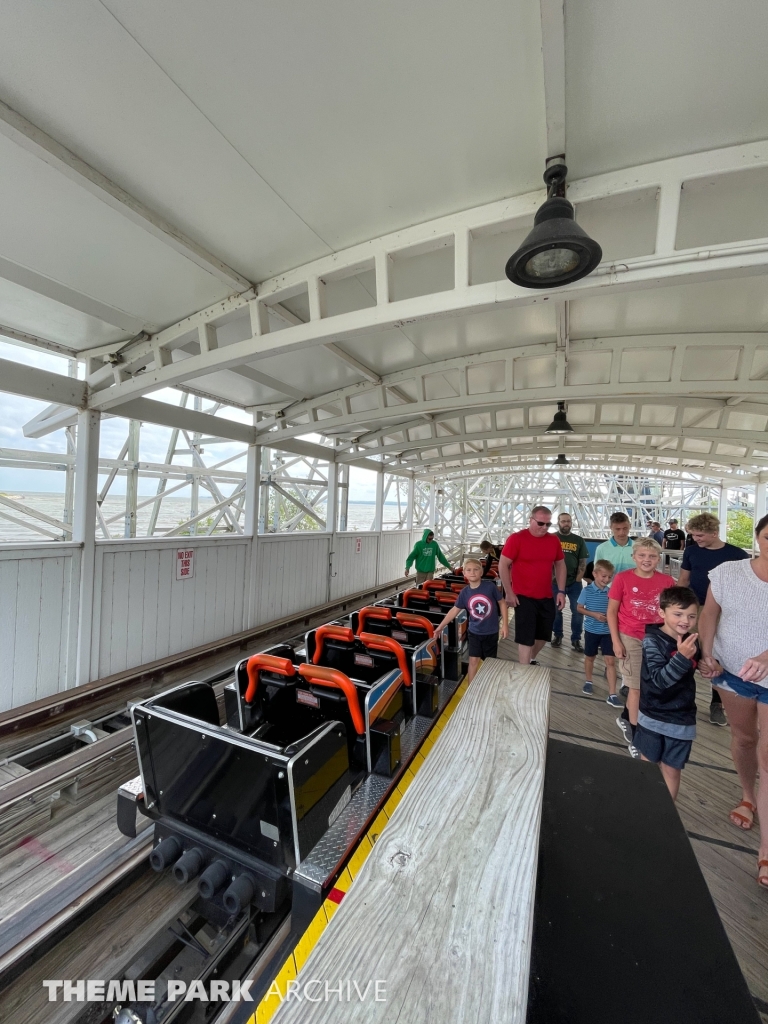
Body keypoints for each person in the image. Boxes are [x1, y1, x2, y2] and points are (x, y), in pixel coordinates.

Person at [698, 513, 768, 890]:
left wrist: (766, 658)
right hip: (732, 675)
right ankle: (747, 795)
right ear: (757, 538)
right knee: (743, 739)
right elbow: (710, 613)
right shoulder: (728, 572)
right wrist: (707, 655)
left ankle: (766, 848)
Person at [678, 512, 750, 726]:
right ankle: (683, 699)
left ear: (714, 533)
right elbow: (683, 579)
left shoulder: (737, 554)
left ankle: (717, 703)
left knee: (719, 656)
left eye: (699, 535)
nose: (695, 539)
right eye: (693, 535)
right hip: (695, 607)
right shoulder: (691, 552)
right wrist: (671, 605)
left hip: (724, 611)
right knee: (688, 652)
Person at [607, 537, 674, 757]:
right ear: (633, 557)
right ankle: (637, 737)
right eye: (642, 555)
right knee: (635, 686)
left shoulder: (667, 582)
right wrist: (616, 641)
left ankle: (627, 717)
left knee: (653, 684)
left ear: (658, 558)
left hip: (657, 638)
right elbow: (612, 611)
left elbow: (671, 613)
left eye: (652, 556)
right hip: (630, 636)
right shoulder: (622, 579)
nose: (647, 560)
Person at [635, 586, 701, 801]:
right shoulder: (652, 641)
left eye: (691, 616)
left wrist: (708, 667)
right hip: (652, 716)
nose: (685, 620)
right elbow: (659, 682)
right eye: (678, 614)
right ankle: (647, 806)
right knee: (648, 766)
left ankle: (667, 813)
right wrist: (681, 658)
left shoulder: (691, 640)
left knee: (672, 770)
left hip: (681, 718)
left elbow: (694, 664)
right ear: (662, 613)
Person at [499, 506, 565, 666]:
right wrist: (509, 592)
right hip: (523, 596)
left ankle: (529, 659)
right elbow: (503, 564)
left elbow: (560, 565)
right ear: (531, 520)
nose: (544, 528)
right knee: (526, 637)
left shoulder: (553, 540)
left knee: (543, 635)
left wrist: (561, 591)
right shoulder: (517, 538)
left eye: (548, 525)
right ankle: (524, 670)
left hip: (546, 595)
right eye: (541, 523)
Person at [437, 557, 508, 683]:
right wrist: (440, 627)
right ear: (464, 574)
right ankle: (471, 690)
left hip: (491, 632)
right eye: (469, 570)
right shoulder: (464, 593)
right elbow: (454, 610)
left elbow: (502, 603)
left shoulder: (490, 587)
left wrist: (505, 625)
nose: (473, 572)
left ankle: (490, 685)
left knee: (490, 663)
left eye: (476, 569)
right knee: (473, 661)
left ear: (481, 572)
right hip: (474, 632)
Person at [577, 559, 620, 705]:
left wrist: (610, 617)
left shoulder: (611, 592)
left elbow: (615, 610)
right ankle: (588, 681)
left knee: (610, 661)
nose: (607, 579)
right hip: (591, 630)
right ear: (595, 574)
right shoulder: (587, 590)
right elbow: (579, 608)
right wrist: (595, 615)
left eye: (609, 577)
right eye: (604, 576)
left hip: (608, 631)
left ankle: (612, 693)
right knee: (590, 657)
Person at [550, 512, 588, 652]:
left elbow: (582, 561)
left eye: (569, 521)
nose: (566, 523)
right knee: (556, 610)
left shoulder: (578, 540)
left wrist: (578, 579)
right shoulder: (551, 538)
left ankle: (576, 639)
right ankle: (557, 635)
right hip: (554, 582)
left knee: (577, 611)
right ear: (558, 522)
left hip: (574, 583)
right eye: (563, 521)